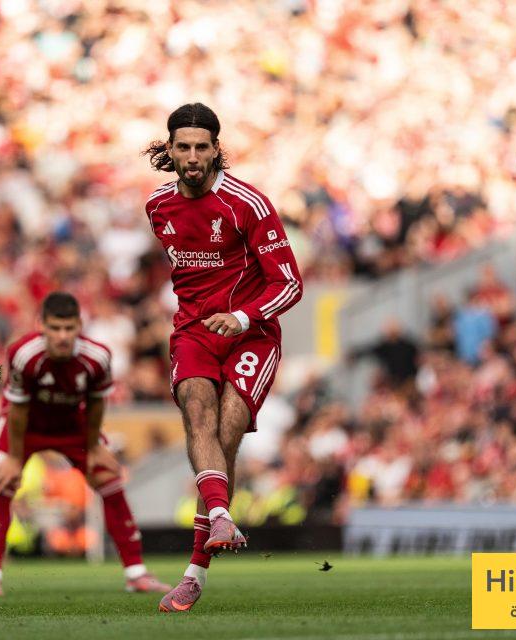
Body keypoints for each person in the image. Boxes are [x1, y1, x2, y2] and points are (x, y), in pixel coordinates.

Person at [143, 103, 303, 612]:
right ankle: (220, 519)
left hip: (251, 334)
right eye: (183, 147)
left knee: (225, 433)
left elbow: (290, 283)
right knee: (198, 414)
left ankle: (195, 571)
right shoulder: (157, 207)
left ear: (216, 149)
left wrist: (241, 316)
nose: (192, 156)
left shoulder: (247, 204)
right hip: (193, 332)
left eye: (201, 147)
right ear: (170, 150)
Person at [0, 292, 170, 597]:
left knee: (110, 481)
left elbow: (96, 403)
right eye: (55, 328)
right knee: (2, 484)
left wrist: (94, 447)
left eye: (69, 328)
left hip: (72, 424)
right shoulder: (23, 353)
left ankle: (136, 573)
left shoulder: (97, 357)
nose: (62, 336)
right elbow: (17, 408)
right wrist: (13, 458)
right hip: (25, 425)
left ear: (80, 325)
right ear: (42, 326)